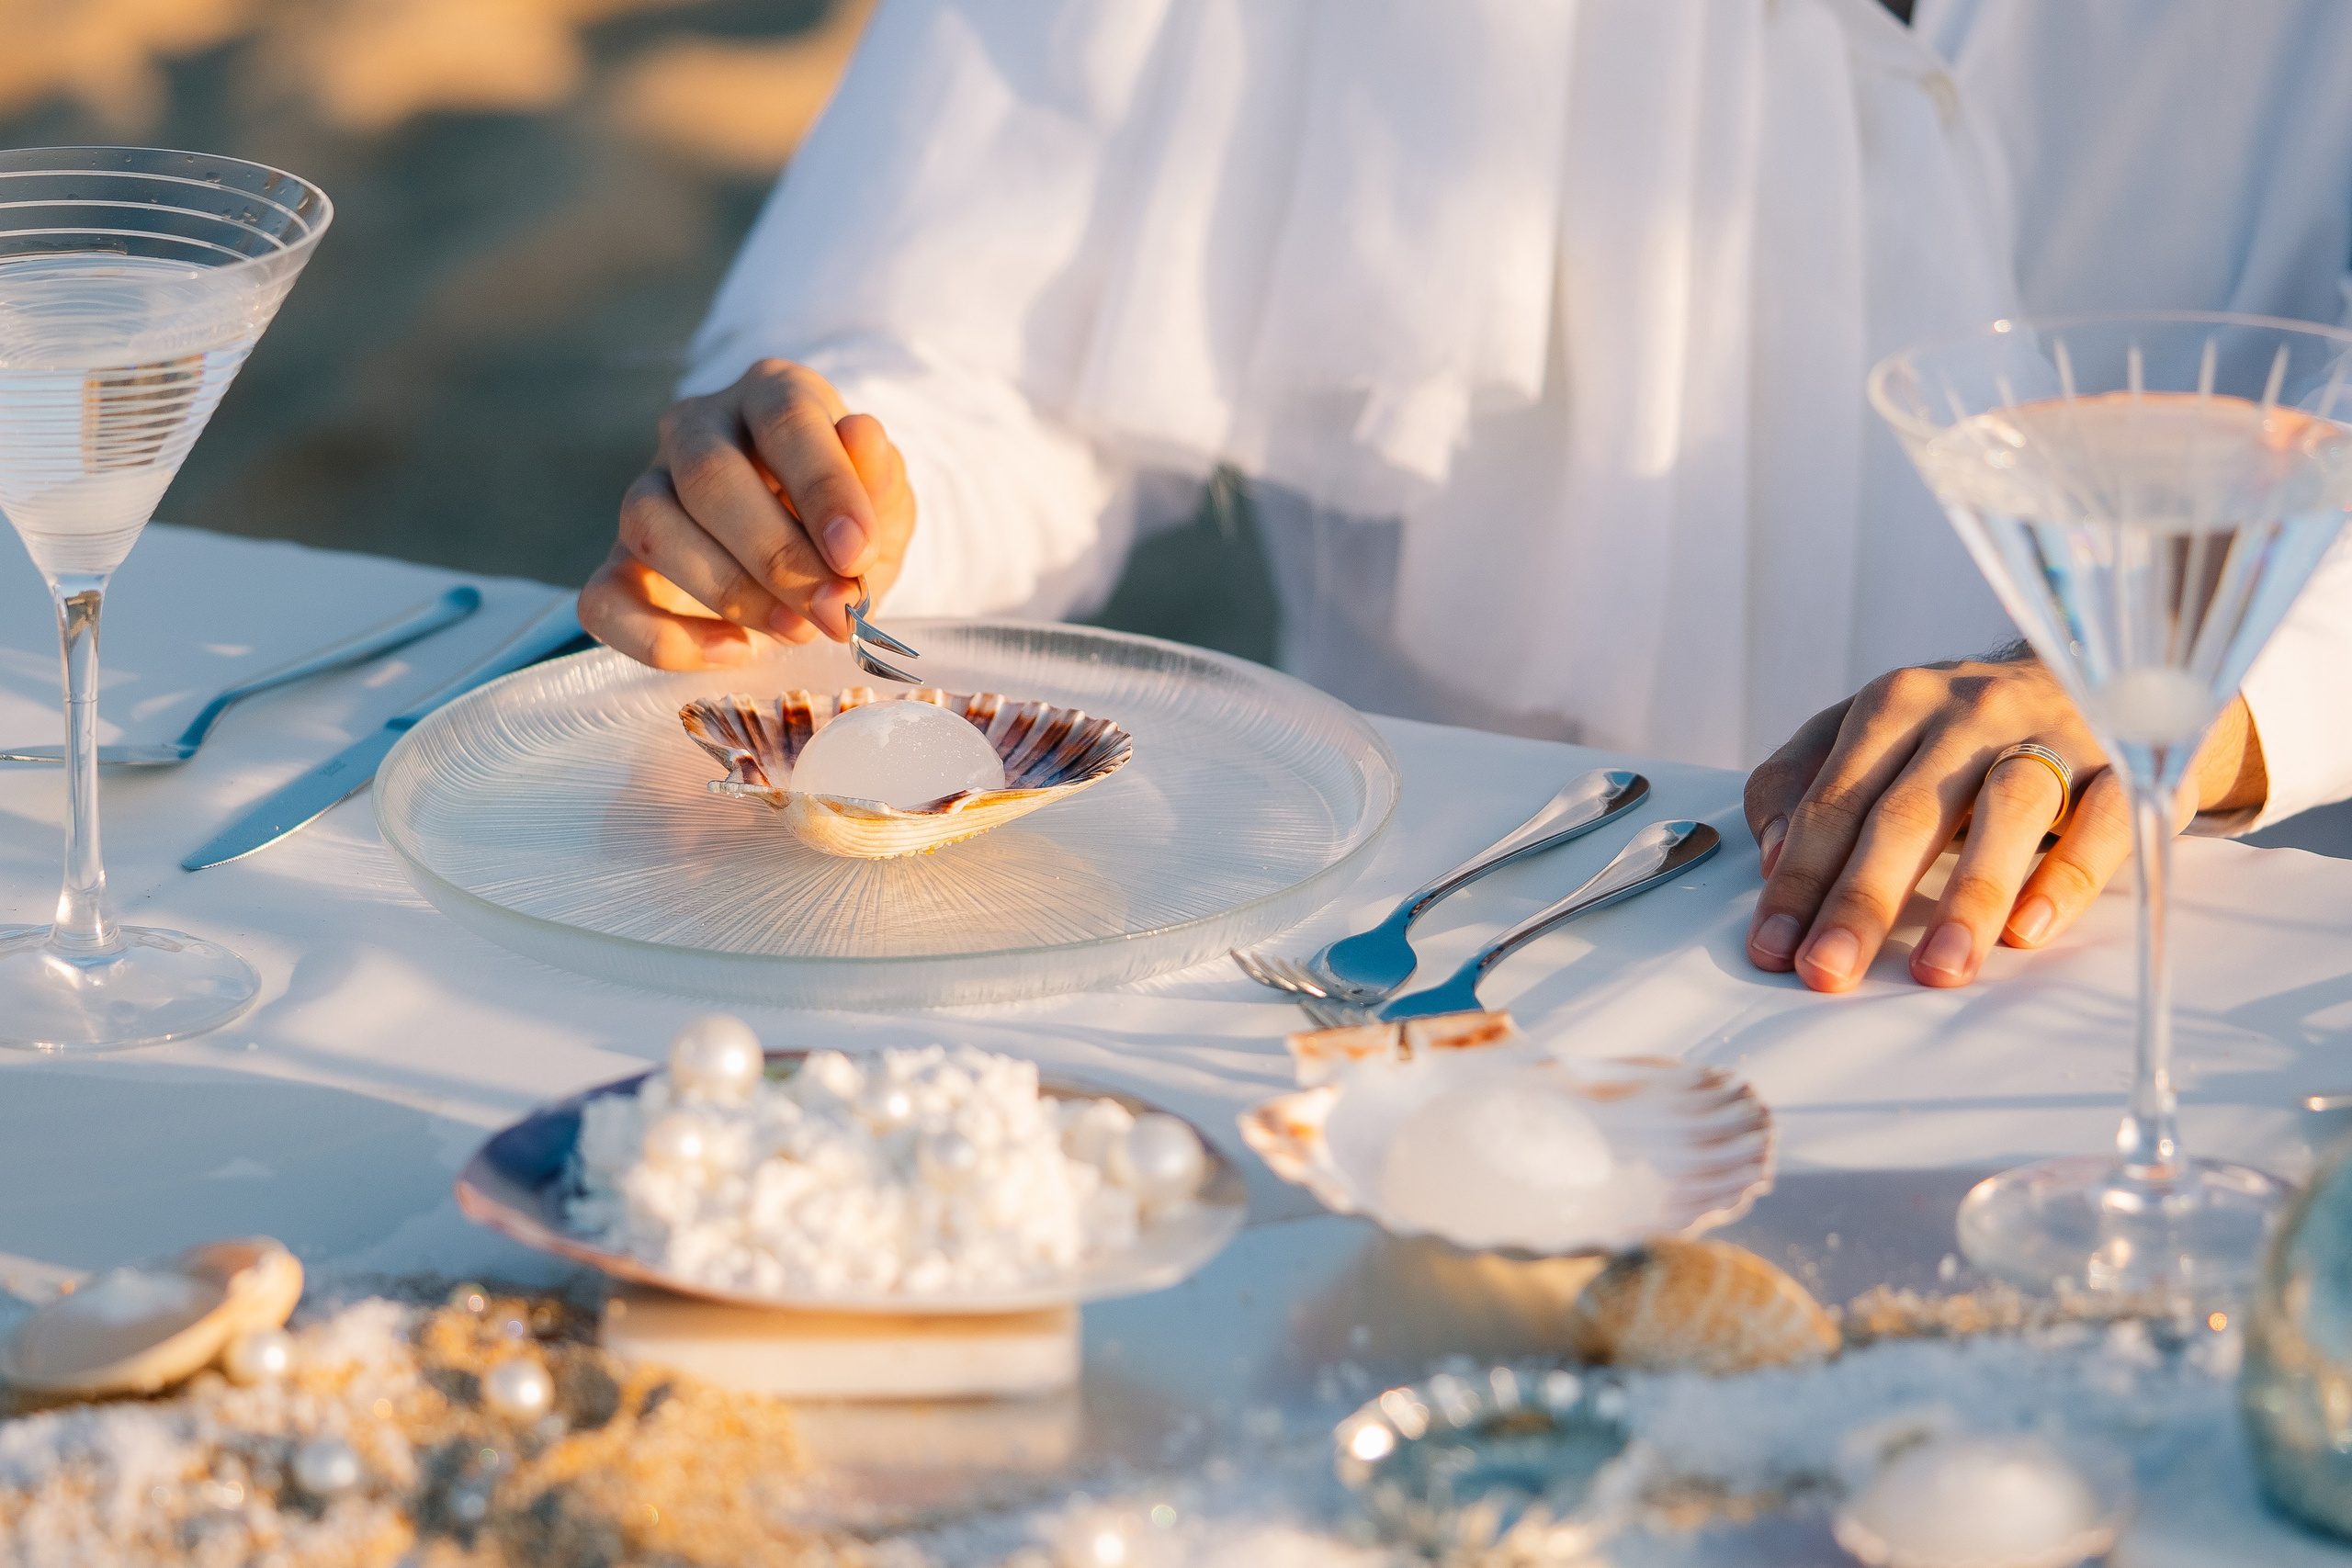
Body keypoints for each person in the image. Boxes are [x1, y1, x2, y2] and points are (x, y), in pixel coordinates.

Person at [576, 1, 2352, 961]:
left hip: (2119, 951)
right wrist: (832, 497)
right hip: (1424, 931)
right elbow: (982, 337)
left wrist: (2216, 693)